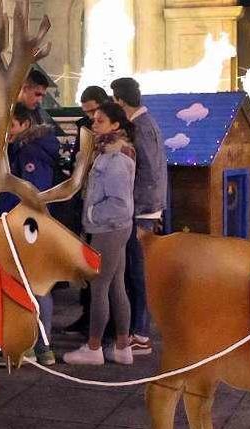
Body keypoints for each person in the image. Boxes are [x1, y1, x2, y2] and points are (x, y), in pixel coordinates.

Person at [63, 102, 135, 366]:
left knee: (100, 286)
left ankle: (94, 347)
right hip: (114, 227)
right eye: (94, 120)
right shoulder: (107, 153)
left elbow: (118, 202)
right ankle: (122, 345)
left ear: (115, 125)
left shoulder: (115, 158)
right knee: (115, 285)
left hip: (108, 228)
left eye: (100, 121)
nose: (94, 124)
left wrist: (91, 215)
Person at [0, 102, 60, 366]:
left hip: (26, 226)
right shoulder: (29, 148)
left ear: (25, 124)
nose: (8, 131)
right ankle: (42, 347)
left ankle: (29, 346)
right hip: (32, 225)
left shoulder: (29, 152)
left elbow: (31, 192)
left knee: (27, 284)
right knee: (37, 284)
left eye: (12, 125)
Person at [111, 77, 167, 355]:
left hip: (142, 209)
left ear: (120, 101)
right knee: (136, 270)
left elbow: (149, 171)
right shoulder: (148, 124)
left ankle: (141, 334)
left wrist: (134, 204)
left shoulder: (142, 128)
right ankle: (139, 330)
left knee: (137, 271)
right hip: (147, 207)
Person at [59, 86, 111, 336]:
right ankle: (86, 312)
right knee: (85, 260)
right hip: (83, 200)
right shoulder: (84, 126)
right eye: (87, 112)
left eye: (94, 112)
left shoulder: (114, 135)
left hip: (103, 210)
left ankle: (104, 325)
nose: (91, 118)